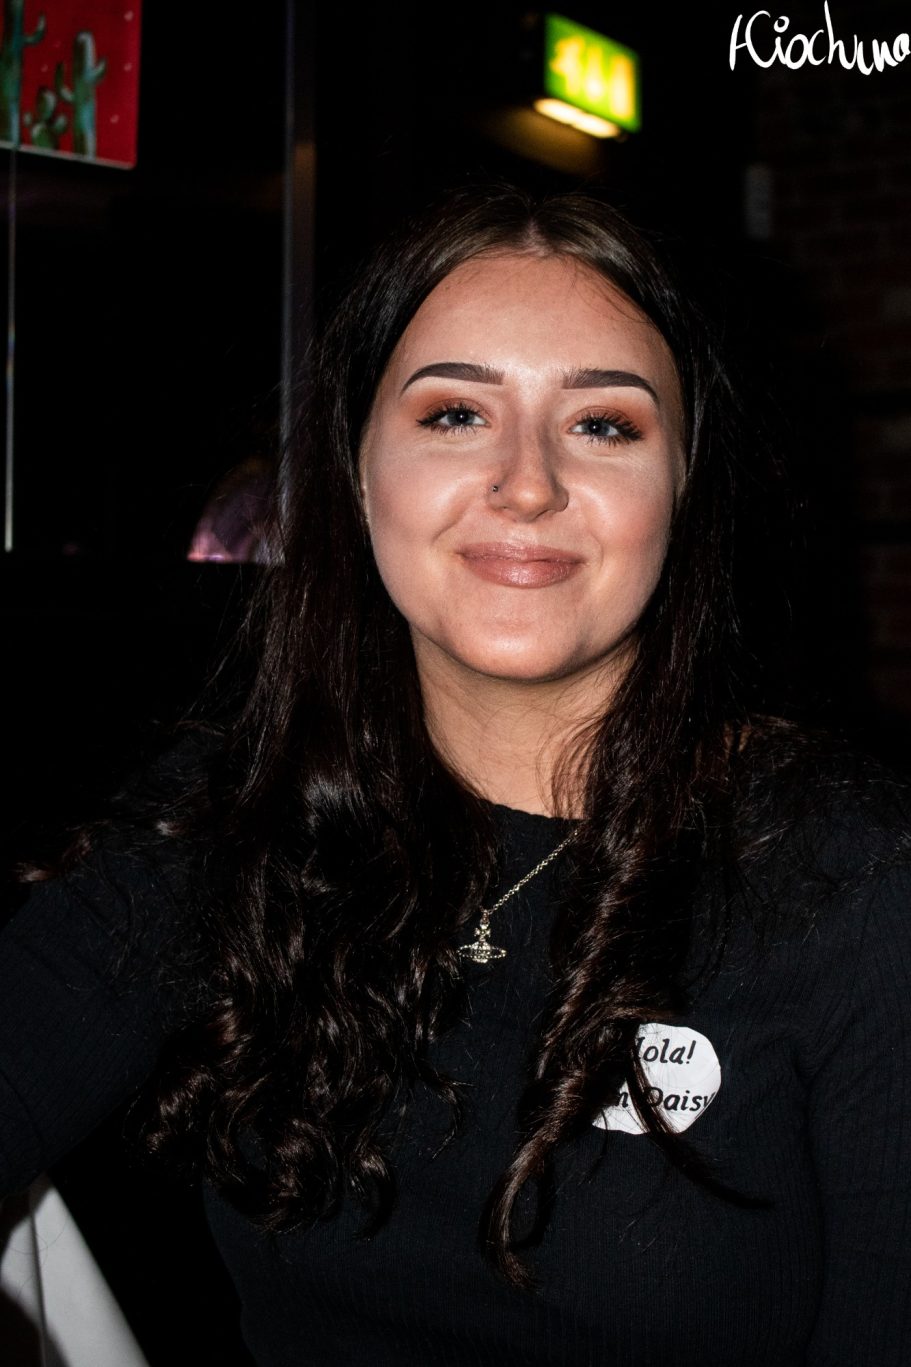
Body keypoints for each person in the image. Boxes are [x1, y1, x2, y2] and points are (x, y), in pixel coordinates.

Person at [2, 182, 910, 1366]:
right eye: (454, 413)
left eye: (603, 425)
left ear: (682, 488)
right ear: (357, 468)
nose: (525, 483)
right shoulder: (236, 810)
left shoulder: (850, 875)